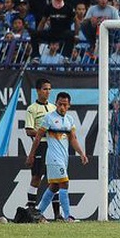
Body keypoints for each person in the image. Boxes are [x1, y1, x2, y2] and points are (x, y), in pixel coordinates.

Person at [27, 92, 89, 222]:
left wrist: (82, 153)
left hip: (63, 158)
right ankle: (68, 217)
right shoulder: (49, 118)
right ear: (56, 103)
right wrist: (31, 154)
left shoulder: (69, 120)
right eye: (60, 104)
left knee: (54, 186)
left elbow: (73, 139)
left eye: (64, 105)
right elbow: (38, 137)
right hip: (53, 158)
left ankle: (38, 213)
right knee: (64, 183)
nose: (62, 107)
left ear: (69, 106)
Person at [24, 78, 60, 218]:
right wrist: (44, 132)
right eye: (45, 89)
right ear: (38, 90)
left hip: (54, 146)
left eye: (50, 89)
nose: (48, 92)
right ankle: (31, 209)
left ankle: (57, 214)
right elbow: (28, 130)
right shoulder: (32, 109)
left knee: (55, 179)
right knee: (36, 177)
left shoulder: (53, 108)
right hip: (40, 145)